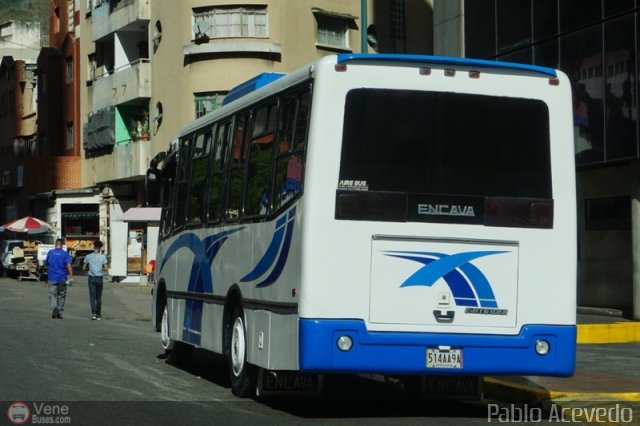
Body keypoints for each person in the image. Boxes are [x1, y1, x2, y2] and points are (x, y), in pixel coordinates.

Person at [45, 239, 73, 319]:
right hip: (62, 278)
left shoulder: (50, 252)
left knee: (52, 294)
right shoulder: (65, 254)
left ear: (55, 244)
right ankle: (60, 312)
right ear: (62, 245)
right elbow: (69, 266)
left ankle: (55, 308)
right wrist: (71, 277)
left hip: (52, 277)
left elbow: (46, 263)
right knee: (62, 295)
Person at [83, 240, 109, 320]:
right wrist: (100, 269)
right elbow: (106, 268)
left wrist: (90, 268)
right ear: (100, 248)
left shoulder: (88, 256)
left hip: (91, 278)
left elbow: (83, 268)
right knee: (98, 297)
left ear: (93, 246)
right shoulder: (103, 257)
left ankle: (93, 314)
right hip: (99, 278)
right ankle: (98, 315)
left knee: (92, 297)